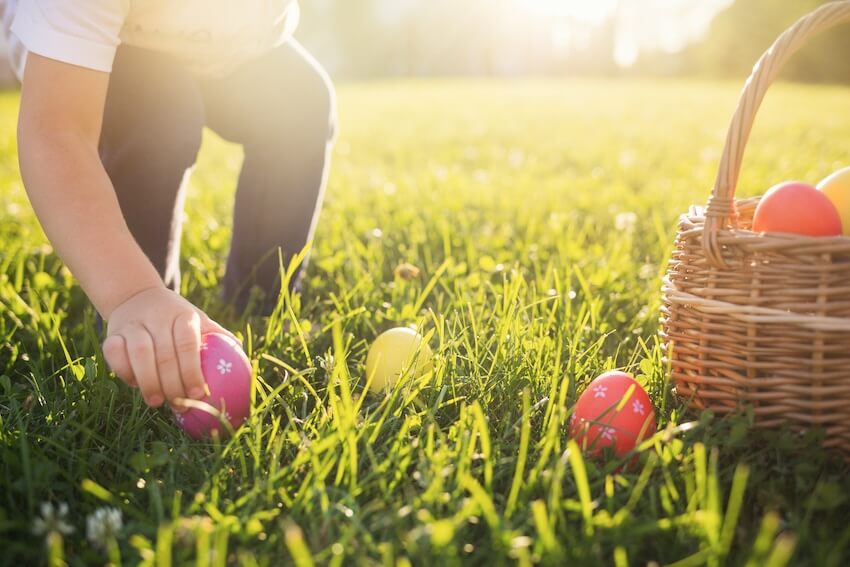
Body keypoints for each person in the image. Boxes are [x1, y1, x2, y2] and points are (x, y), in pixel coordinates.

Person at [1, 1, 336, 413]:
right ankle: (142, 328)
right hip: (96, 49)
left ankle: (257, 303)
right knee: (159, 113)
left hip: (224, 45)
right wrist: (132, 293)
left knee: (299, 102)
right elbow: (58, 133)